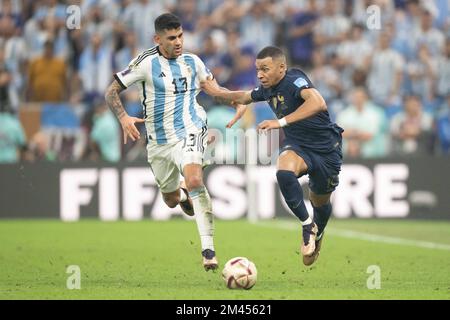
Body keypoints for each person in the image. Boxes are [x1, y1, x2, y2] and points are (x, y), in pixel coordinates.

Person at [201, 46, 344, 266]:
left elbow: (318, 103)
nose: (260, 74)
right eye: (258, 69)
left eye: (265, 69)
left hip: (327, 149)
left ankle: (319, 231)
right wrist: (216, 92)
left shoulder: (295, 79)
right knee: (284, 172)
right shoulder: (267, 89)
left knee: (320, 201)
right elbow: (243, 96)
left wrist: (280, 122)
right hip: (298, 145)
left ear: (281, 68)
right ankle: (307, 225)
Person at [105, 13, 223, 271]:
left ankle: (208, 250)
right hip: (158, 143)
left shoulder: (193, 61)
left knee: (195, 180)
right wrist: (123, 117)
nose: (178, 42)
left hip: (191, 129)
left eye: (180, 35)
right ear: (157, 39)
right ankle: (181, 196)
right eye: (171, 38)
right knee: (170, 199)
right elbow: (111, 90)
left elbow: (214, 89)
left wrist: (239, 99)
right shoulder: (145, 63)